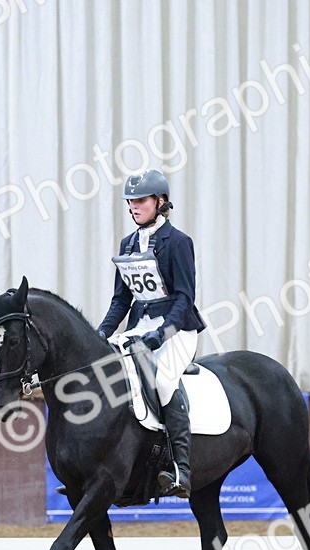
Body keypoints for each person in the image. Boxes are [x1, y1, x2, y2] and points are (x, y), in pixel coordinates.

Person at [97, 169, 206, 498]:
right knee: (105, 375)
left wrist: (162, 334)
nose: (133, 206)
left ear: (160, 202)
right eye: (130, 201)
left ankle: (181, 469)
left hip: (178, 328)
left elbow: (186, 299)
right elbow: (121, 300)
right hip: (137, 329)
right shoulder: (128, 243)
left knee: (162, 381)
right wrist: (101, 333)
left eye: (140, 200)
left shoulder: (179, 242)